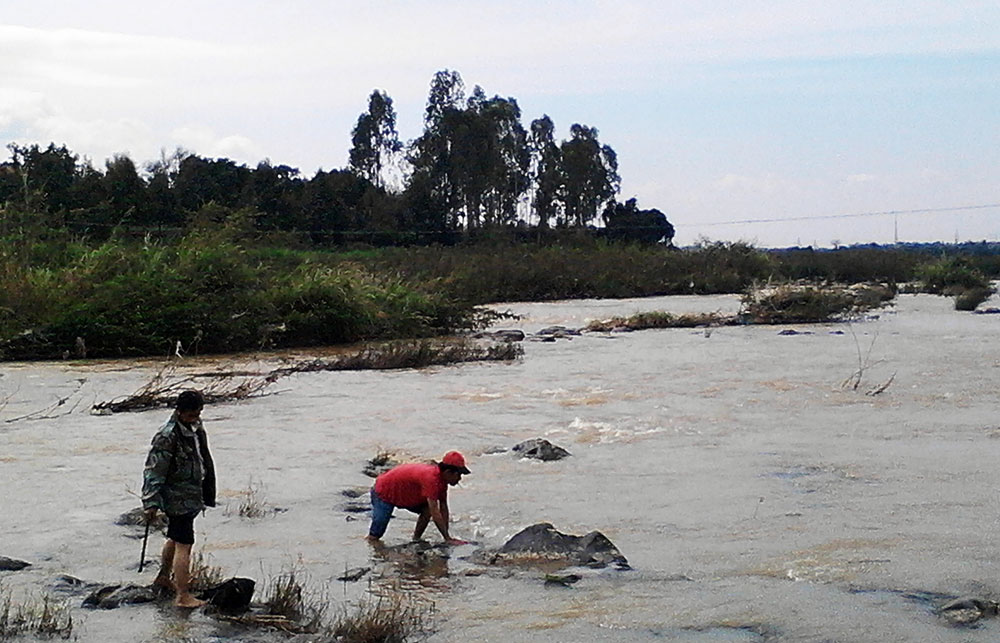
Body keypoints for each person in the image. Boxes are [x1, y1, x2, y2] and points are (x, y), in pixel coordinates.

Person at [141, 390, 216, 608]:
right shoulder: (167, 435)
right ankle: (183, 596)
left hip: (193, 494)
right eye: (192, 414)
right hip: (177, 498)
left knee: (173, 538)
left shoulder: (195, 427)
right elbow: (153, 471)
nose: (196, 417)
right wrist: (151, 503)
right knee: (185, 544)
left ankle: (164, 577)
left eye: (199, 412)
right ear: (179, 411)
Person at [367, 451, 471, 545]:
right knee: (375, 535)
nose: (459, 479)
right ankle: (371, 549)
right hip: (383, 493)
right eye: (458, 475)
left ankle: (416, 539)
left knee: (427, 509)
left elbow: (443, 507)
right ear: (448, 472)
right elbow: (435, 511)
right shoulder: (432, 479)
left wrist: (447, 536)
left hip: (404, 495)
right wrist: (447, 538)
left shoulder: (442, 481)